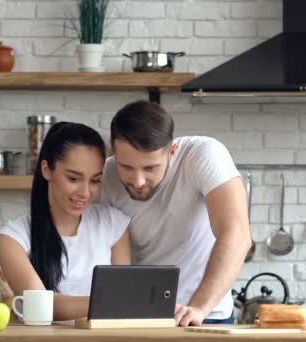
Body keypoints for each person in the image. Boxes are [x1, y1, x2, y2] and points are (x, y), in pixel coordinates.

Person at [98, 100, 252, 326]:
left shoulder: (202, 154)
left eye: (150, 168)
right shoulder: (103, 176)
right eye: (127, 167)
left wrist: (198, 308)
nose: (138, 181)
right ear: (114, 151)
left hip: (207, 316)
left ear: (172, 151)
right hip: (139, 318)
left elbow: (237, 235)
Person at [0, 122, 131, 321]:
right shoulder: (10, 238)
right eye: (74, 179)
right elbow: (38, 307)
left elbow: (125, 303)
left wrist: (120, 301)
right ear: (47, 169)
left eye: (95, 180)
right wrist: (111, 302)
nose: (85, 193)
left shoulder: (115, 225)